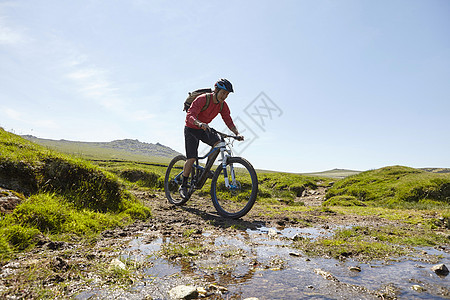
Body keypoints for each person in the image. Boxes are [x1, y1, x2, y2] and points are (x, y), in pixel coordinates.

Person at [180, 78, 243, 199]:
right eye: (223, 93)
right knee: (192, 158)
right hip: (192, 128)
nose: (224, 96)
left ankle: (205, 170)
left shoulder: (222, 105)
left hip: (204, 128)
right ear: (216, 90)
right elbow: (190, 115)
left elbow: (228, 121)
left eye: (227, 94)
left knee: (218, 144)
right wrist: (198, 123)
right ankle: (183, 185)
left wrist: (236, 133)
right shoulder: (203, 99)